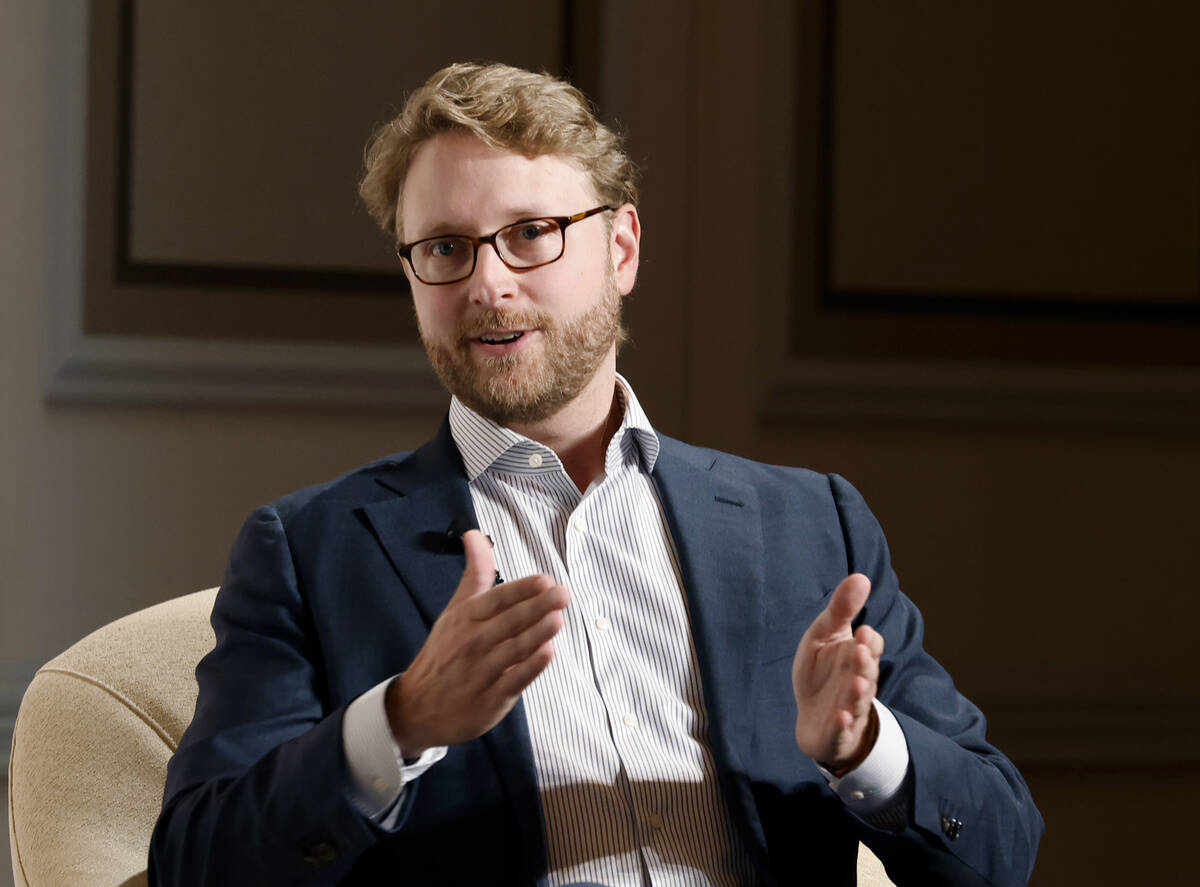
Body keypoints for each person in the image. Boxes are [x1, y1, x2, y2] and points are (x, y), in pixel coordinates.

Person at [149, 62, 1042, 886]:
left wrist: (864, 750)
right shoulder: (309, 551)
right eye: (446, 248)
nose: (487, 285)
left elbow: (1002, 848)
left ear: (621, 248)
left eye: (531, 233)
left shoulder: (812, 521)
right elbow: (197, 861)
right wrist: (403, 720)